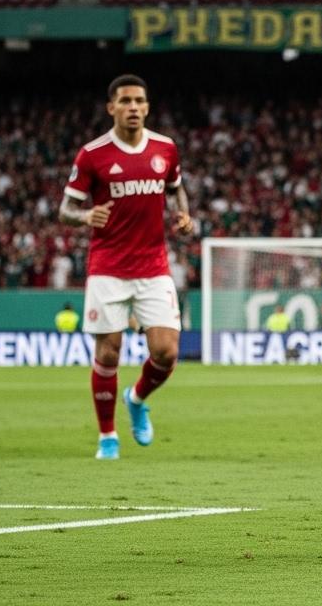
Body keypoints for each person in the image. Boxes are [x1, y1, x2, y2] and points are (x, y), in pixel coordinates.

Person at [60, 74, 193, 461]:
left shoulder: (166, 149)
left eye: (139, 101)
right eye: (125, 101)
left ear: (148, 107)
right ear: (111, 107)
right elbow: (64, 209)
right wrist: (86, 217)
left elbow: (175, 189)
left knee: (166, 352)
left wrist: (182, 214)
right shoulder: (92, 154)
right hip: (108, 267)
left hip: (153, 265)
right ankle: (107, 437)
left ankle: (136, 399)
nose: (133, 107)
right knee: (108, 354)